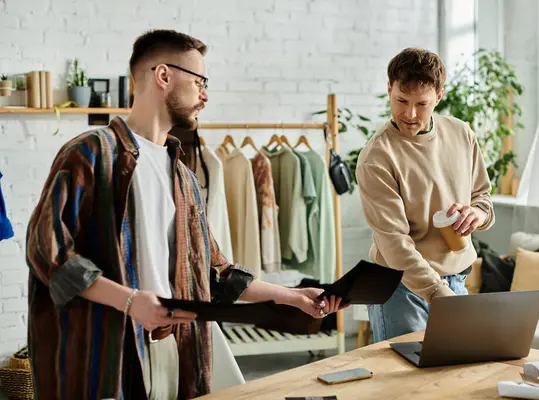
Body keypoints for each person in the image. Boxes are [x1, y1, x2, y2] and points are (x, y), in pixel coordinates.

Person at [25, 29, 344, 400]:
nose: (205, 95)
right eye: (199, 82)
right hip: (108, 354)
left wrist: (292, 296)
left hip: (176, 350)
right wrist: (129, 301)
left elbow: (216, 271)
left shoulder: (184, 176)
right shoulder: (92, 152)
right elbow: (47, 251)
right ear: (163, 76)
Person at [356, 48, 495, 342]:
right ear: (389, 89)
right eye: (401, 101)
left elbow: (482, 196)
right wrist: (436, 292)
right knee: (406, 385)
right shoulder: (377, 157)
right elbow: (394, 244)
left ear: (439, 96)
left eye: (422, 104)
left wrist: (477, 214)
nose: (409, 114)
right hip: (399, 287)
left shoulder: (461, 134)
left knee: (457, 378)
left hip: (454, 281)